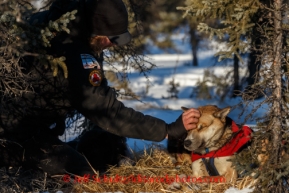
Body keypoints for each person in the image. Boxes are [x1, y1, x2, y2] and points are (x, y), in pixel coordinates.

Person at [0, 0, 200, 176]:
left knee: (99, 146)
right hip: (14, 134)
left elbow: (100, 98)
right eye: (111, 39)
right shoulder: (73, 50)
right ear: (97, 31)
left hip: (31, 129)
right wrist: (168, 130)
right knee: (83, 175)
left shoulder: (70, 27)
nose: (113, 44)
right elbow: (105, 110)